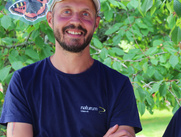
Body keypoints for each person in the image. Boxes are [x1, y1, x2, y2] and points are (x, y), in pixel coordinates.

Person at [0, 0, 142, 136]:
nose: (75, 21)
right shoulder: (24, 82)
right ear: (50, 19)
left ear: (96, 23)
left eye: (85, 14)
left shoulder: (118, 85)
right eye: (66, 11)